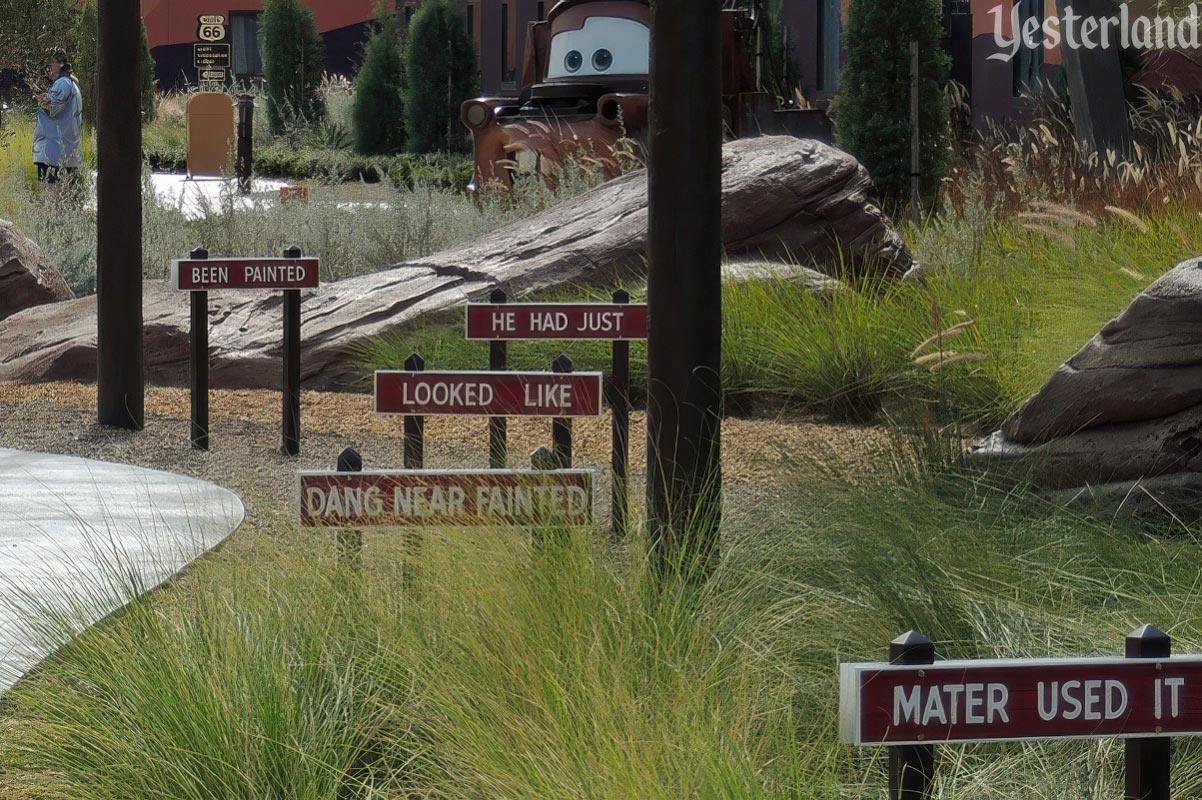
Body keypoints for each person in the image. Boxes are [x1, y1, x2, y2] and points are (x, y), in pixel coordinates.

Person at [32, 50, 82, 184]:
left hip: (53, 151)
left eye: (52, 63)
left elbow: (52, 109)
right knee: (64, 197)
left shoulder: (63, 83)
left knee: (52, 196)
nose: (49, 67)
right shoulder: (71, 83)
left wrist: (40, 98)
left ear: (61, 64)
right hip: (66, 152)